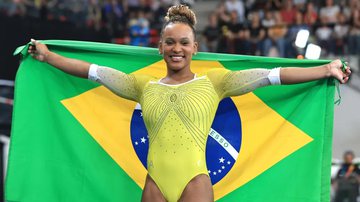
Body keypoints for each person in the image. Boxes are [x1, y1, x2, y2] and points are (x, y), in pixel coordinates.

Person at [28, 4, 351, 202]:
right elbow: (92, 71)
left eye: (184, 42)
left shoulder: (215, 82)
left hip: (195, 182)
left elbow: (273, 75)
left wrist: (325, 68)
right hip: (154, 183)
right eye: (170, 42)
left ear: (194, 47)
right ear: (160, 47)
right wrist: (48, 56)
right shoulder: (141, 85)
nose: (177, 48)